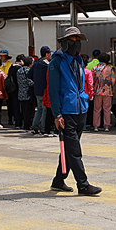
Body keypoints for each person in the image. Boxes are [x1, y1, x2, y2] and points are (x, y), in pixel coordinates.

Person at [48, 26, 101, 196]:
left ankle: (58, 180)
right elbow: (53, 90)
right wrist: (57, 114)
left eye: (78, 42)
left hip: (80, 109)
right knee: (74, 150)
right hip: (66, 111)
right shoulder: (56, 62)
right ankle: (83, 185)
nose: (76, 45)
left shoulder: (78, 60)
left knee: (69, 149)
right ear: (64, 43)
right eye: (73, 41)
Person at [30, 46, 52, 135]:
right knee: (45, 110)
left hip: (37, 90)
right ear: (46, 55)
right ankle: (43, 128)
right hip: (45, 90)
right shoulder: (47, 65)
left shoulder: (36, 64)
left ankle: (34, 127)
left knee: (39, 109)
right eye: (50, 53)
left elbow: (29, 74)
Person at [92, 53, 116, 132]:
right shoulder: (110, 69)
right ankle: (106, 126)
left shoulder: (95, 68)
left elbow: (92, 80)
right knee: (107, 109)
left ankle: (96, 126)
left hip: (97, 91)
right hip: (107, 91)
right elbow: (113, 81)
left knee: (96, 109)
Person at [17, 56, 34, 131]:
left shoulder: (19, 70)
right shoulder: (28, 71)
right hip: (27, 93)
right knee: (28, 111)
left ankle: (25, 125)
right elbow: (29, 82)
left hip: (20, 92)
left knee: (23, 110)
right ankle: (27, 126)